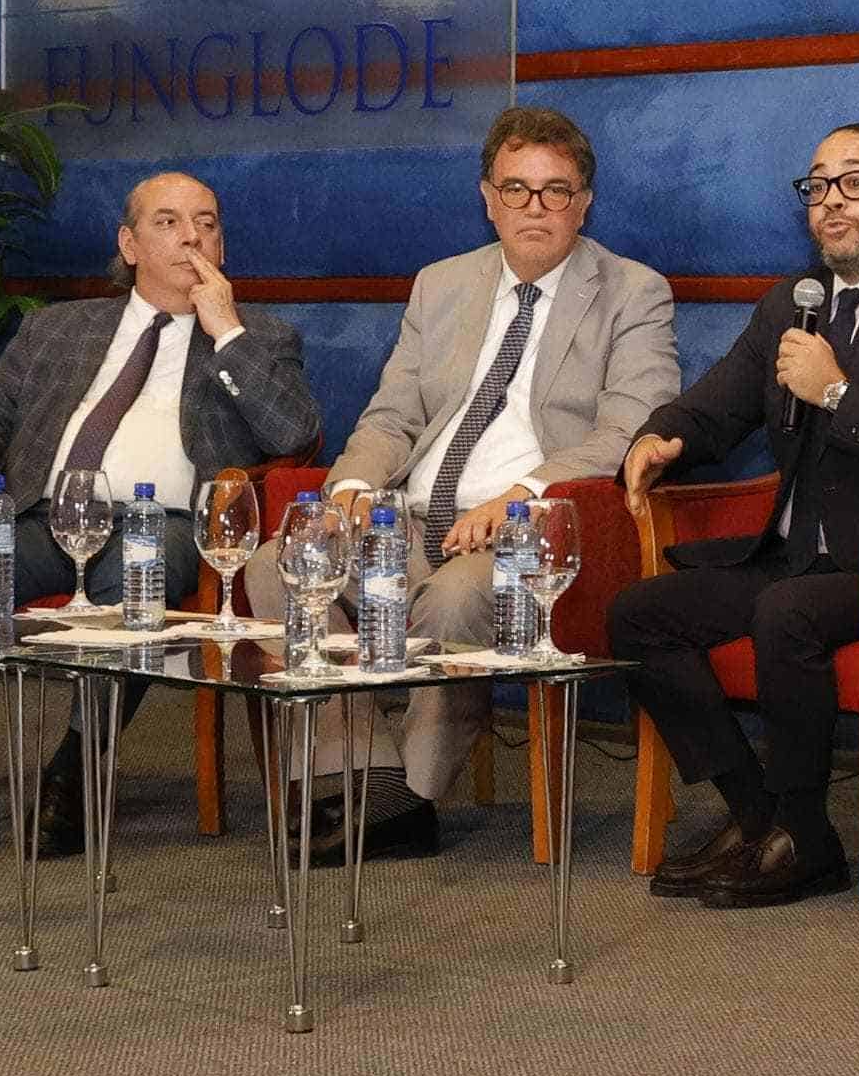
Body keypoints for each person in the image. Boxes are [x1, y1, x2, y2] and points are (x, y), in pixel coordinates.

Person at [607, 124, 859, 909]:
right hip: (793, 557)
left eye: (855, 182)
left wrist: (837, 393)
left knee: (785, 613)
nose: (831, 200)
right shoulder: (794, 304)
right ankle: (759, 817)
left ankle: (808, 837)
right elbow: (716, 407)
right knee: (639, 614)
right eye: (818, 185)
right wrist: (661, 437)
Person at [0, 172, 323, 868]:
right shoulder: (57, 327)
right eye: (169, 222)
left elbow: (294, 432)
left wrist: (225, 331)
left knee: (139, 566)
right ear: (129, 243)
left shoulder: (259, 336)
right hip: (42, 515)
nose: (192, 236)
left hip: (167, 525)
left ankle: (75, 766)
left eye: (207, 222)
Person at [290, 107, 679, 862]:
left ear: (585, 202)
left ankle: (414, 795)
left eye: (556, 191)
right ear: (487, 197)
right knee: (296, 561)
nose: (536, 208)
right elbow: (391, 416)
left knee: (460, 595)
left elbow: (629, 429)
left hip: (534, 536)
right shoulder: (442, 285)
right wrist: (350, 491)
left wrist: (521, 496)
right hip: (406, 520)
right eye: (518, 189)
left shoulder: (634, 293)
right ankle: (364, 779)